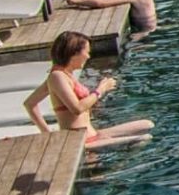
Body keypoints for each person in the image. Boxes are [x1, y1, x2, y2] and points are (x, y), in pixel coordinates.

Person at [25, 31, 153, 149]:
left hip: (93, 133)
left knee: (147, 125)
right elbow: (77, 109)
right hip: (81, 141)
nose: (88, 56)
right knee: (144, 138)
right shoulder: (57, 76)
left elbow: (29, 103)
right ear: (74, 53)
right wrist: (100, 90)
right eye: (86, 52)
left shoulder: (65, 75)